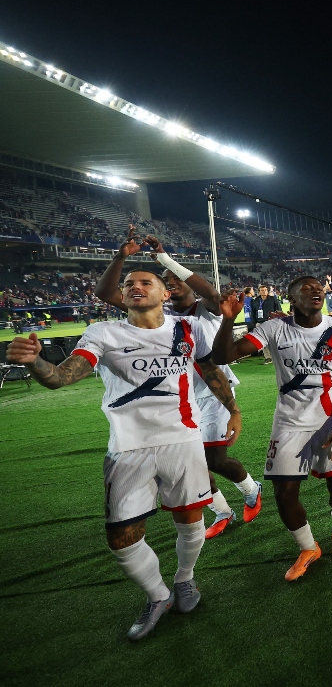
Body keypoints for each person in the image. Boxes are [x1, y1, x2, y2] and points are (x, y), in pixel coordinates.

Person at [6, 270, 219, 640]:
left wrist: (231, 409)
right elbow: (60, 377)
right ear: (121, 296)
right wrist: (34, 362)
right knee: (121, 536)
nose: (135, 287)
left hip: (182, 439)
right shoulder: (104, 332)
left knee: (189, 520)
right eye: (128, 284)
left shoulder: (188, 328)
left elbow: (211, 367)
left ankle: (185, 579)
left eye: (145, 282)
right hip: (127, 446)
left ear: (164, 293)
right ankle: (158, 595)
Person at [94, 228, 262, 540]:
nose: (172, 282)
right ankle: (222, 511)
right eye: (168, 280)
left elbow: (211, 293)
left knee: (215, 459)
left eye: (176, 278)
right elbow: (105, 294)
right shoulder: (159, 314)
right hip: (177, 397)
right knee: (192, 465)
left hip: (214, 392)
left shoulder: (206, 309)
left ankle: (251, 489)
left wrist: (165, 260)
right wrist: (120, 257)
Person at [211, 277, 332, 581]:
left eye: (319, 287)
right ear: (290, 298)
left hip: (330, 420)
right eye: (306, 288)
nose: (316, 291)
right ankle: (308, 548)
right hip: (289, 422)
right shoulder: (274, 328)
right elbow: (221, 357)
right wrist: (228, 319)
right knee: (284, 492)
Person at [248, 285, 283, 364]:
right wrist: (254, 323)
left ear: (267, 291)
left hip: (271, 322)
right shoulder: (255, 301)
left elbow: (278, 309)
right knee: (263, 341)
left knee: (275, 340)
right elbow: (253, 313)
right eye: (262, 290)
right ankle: (268, 357)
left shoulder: (273, 299)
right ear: (259, 292)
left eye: (265, 290)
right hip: (260, 323)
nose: (264, 291)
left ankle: (279, 356)